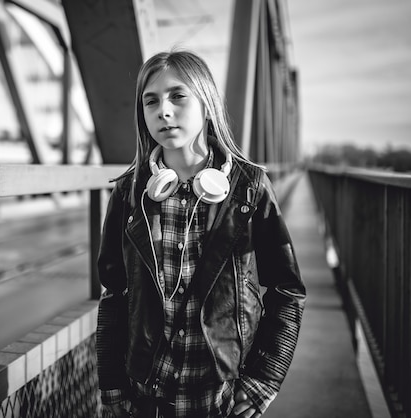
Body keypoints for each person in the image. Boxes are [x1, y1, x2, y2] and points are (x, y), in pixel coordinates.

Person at [96, 50, 306, 417]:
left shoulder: (249, 187)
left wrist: (266, 378)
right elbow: (114, 293)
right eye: (151, 101)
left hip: (222, 393)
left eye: (178, 96)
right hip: (146, 391)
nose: (163, 110)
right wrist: (111, 383)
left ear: (207, 104)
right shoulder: (131, 192)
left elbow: (287, 289)